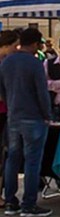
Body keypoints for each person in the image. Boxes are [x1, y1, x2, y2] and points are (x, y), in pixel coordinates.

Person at [0, 28, 53, 217]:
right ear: (36, 44)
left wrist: (11, 104)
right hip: (33, 118)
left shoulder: (7, 62)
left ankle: (10, 201)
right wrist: (47, 114)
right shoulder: (35, 63)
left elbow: (2, 90)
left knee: (12, 159)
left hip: (13, 116)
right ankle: (29, 204)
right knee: (32, 161)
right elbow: (42, 93)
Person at [0, 29, 20, 199]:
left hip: (7, 111)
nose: (17, 49)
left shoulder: (7, 61)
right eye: (15, 45)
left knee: (5, 153)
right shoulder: (4, 63)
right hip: (3, 110)